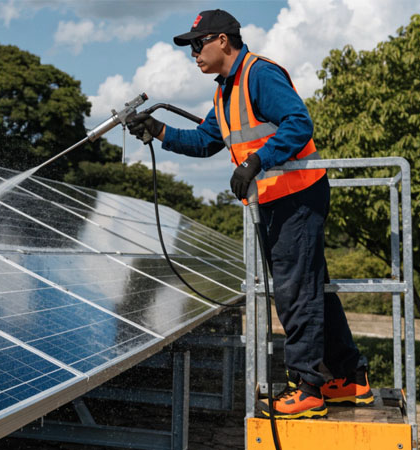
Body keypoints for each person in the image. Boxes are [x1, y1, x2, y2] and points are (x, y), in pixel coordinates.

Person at [127, 9, 371, 419]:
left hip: (297, 195)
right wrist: (159, 131)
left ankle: (308, 388)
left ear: (223, 40)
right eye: (190, 47)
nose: (194, 54)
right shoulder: (225, 91)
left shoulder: (259, 74)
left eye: (198, 44)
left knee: (295, 291)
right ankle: (351, 377)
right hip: (277, 199)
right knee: (311, 288)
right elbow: (206, 141)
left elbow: (299, 123)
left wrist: (257, 161)